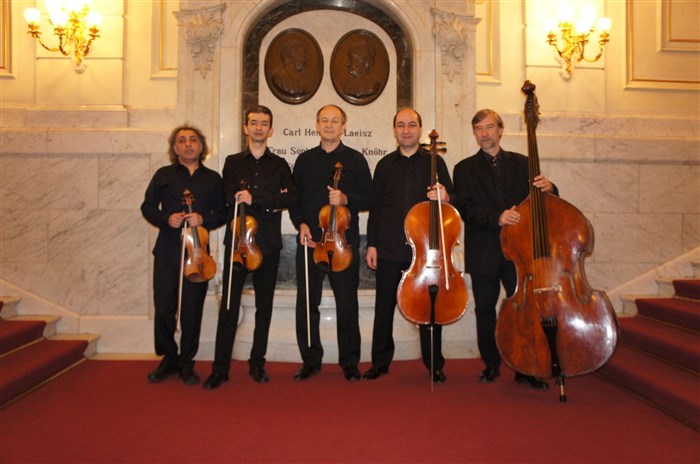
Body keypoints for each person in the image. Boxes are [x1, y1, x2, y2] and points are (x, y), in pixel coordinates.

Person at [453, 108, 556, 390]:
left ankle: (525, 367)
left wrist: (550, 187)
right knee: (485, 310)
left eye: (489, 127)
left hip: (519, 252)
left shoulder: (523, 164)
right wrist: (497, 217)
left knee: (523, 310)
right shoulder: (464, 168)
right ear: (474, 134)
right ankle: (491, 364)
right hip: (484, 249)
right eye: (478, 129)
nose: (484, 134)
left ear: (500, 130)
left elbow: (543, 199)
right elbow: (464, 208)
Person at [203, 106, 298, 390]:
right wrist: (269, 199)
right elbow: (228, 197)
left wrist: (255, 198)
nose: (258, 127)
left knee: (263, 307)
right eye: (254, 123)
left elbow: (291, 197)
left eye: (264, 123)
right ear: (246, 128)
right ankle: (220, 368)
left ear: (271, 130)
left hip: (267, 244)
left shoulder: (280, 165)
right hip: (237, 243)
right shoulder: (232, 162)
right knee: (229, 306)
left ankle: (257, 363)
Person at [363, 108, 452, 384]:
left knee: (428, 307)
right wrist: (372, 244)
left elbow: (452, 202)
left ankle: (434, 364)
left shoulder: (435, 162)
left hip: (424, 251)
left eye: (412, 125)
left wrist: (445, 195)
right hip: (389, 246)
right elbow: (376, 208)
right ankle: (380, 362)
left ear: (420, 129)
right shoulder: (384, 165)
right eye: (401, 125)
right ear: (394, 130)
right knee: (384, 307)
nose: (406, 130)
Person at [289, 104, 372, 382]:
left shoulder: (356, 160)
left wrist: (347, 199)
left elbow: (370, 197)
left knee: (347, 303)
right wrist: (301, 224)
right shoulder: (304, 161)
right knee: (307, 303)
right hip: (311, 243)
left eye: (334, 121)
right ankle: (310, 360)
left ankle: (350, 362)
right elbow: (294, 200)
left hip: (342, 245)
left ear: (343, 127)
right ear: (317, 125)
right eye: (324, 120)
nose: (329, 125)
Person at [141, 125, 226, 385]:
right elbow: (147, 206)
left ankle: (187, 362)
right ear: (175, 148)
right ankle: (169, 358)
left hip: (198, 255)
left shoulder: (212, 179)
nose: (188, 144)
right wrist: (166, 218)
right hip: (168, 251)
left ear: (201, 146)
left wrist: (203, 219)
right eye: (182, 141)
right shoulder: (164, 175)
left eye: (193, 140)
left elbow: (223, 213)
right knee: (164, 307)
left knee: (192, 309)